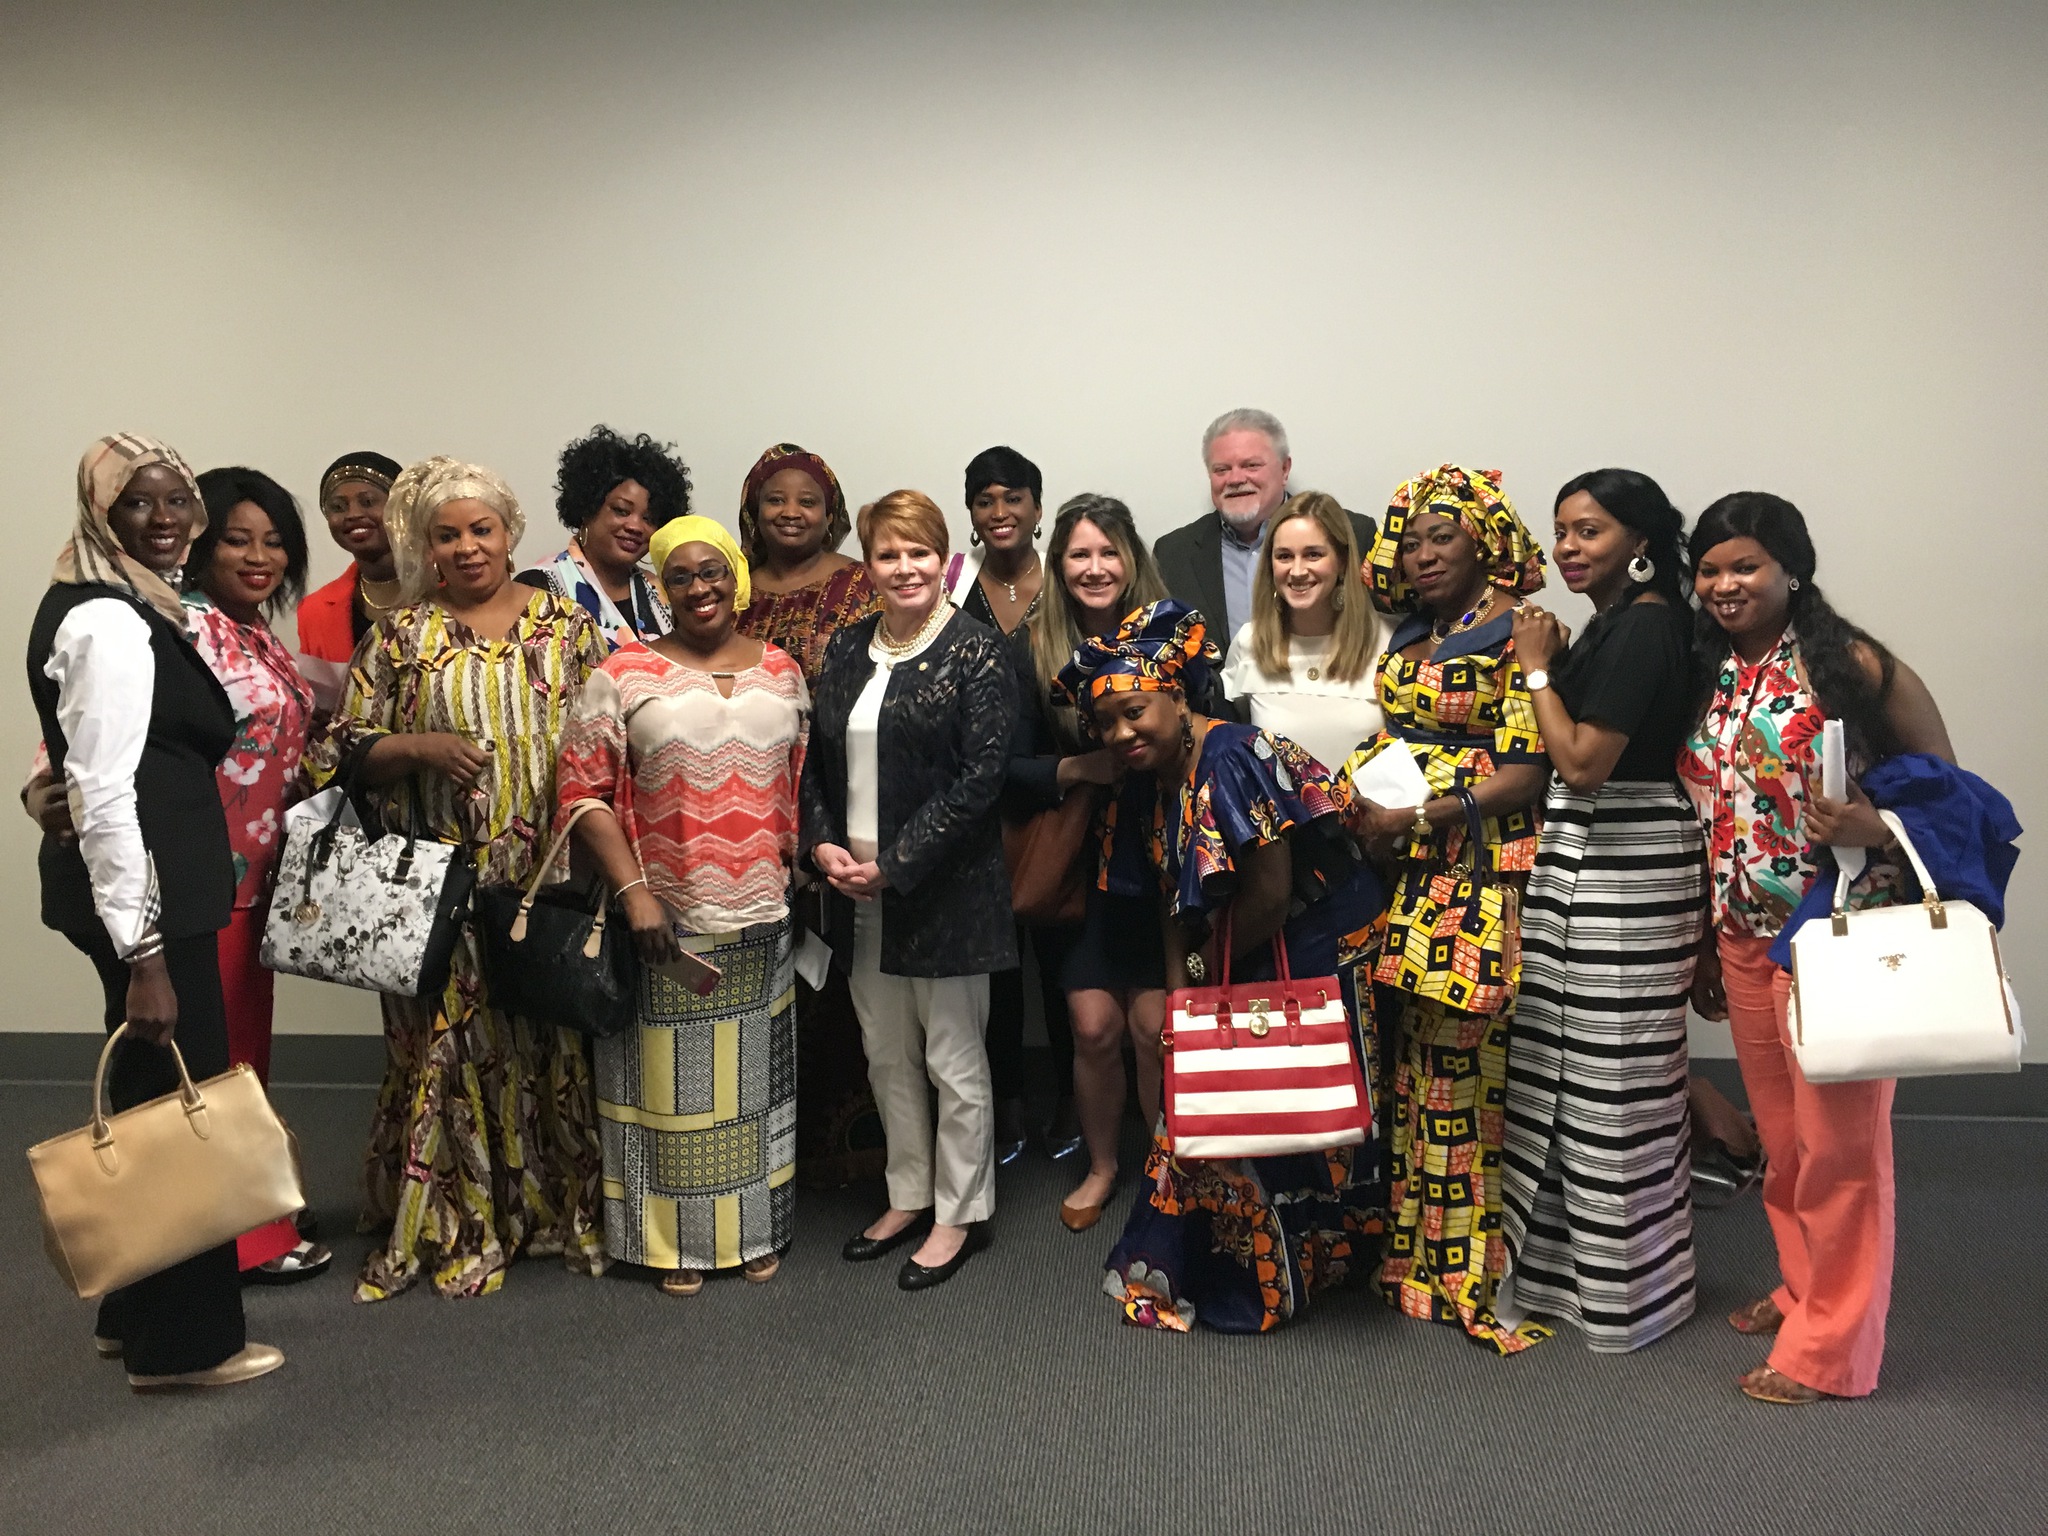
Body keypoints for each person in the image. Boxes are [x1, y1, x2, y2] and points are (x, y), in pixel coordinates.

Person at [308, 456, 609, 1301]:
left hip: (542, 883)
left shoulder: (566, 628)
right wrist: (415, 748)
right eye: (448, 534)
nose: (469, 547)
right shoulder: (404, 636)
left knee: (544, 1040)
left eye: (483, 529)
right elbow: (331, 753)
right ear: (424, 545)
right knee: (455, 1045)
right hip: (440, 890)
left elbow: (606, 744)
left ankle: (551, 1211)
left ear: (511, 533)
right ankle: (459, 1218)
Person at [1679, 491, 1953, 1405]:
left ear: (1791, 569)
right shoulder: (1713, 669)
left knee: (1843, 1152)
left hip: (1842, 936)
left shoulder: (1853, 666)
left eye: (1745, 566)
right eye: (1711, 569)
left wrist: (1878, 822)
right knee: (1789, 1147)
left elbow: (1953, 796)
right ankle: (1803, 1290)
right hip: (1747, 935)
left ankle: (1832, 1349)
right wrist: (1710, 946)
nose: (1725, 584)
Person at [27, 434, 281, 1388]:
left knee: (146, 1100)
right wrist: (145, 955)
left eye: (178, 501)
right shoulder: (109, 622)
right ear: (102, 514)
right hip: (149, 911)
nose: (165, 519)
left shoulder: (130, 600)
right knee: (183, 1112)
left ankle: (131, 1311)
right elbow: (101, 789)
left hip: (148, 899)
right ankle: (184, 1347)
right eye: (138, 504)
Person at [1058, 600, 1385, 1333]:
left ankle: (1313, 1260)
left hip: (1320, 935)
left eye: (1135, 711)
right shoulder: (1148, 777)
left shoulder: (1233, 756)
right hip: (1248, 937)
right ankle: (1221, 1258)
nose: (1121, 733)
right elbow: (1177, 900)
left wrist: (1205, 972)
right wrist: (1183, 1002)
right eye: (1105, 724)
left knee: (1301, 1097)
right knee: (1212, 1091)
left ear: (1178, 697)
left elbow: (1269, 894)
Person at [556, 514, 808, 1296]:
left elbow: (800, 784)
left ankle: (753, 1230)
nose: (699, 588)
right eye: (680, 576)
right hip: (664, 913)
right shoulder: (623, 674)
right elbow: (581, 792)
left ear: (736, 575)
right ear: (660, 588)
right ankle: (669, 1242)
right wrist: (634, 893)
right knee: (667, 1087)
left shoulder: (783, 671)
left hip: (762, 914)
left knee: (754, 1086)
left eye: (712, 572)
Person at [1343, 463, 1551, 1353]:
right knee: (1410, 1062)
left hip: (1472, 865)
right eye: (1414, 539)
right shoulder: (1415, 630)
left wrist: (1421, 813)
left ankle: (1468, 1265)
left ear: (1486, 540)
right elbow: (1399, 733)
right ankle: (1412, 1255)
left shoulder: (1521, 632)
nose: (1424, 555)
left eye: (1444, 538)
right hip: (1401, 863)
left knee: (1465, 1062)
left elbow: (1528, 768)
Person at [1497, 469, 1704, 1351]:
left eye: (1589, 531)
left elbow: (1582, 764)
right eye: (1561, 533)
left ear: (1642, 542)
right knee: (1565, 1076)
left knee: (1614, 1087)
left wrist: (1538, 666)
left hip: (1628, 860)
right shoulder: (1617, 623)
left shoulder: (1646, 630)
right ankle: (1572, 1283)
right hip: (1590, 856)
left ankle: (1632, 1299)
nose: (1569, 548)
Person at [800, 490, 1018, 1290]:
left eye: (918, 552)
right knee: (886, 1055)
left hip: (942, 894)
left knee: (953, 1062)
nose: (903, 568)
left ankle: (959, 1211)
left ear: (942, 558)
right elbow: (816, 763)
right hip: (856, 898)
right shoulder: (849, 647)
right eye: (887, 555)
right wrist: (822, 844)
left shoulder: (974, 651)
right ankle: (905, 1193)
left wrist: (895, 862)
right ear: (870, 564)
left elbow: (979, 781)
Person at [1008, 494, 1172, 1228]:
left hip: (1165, 856)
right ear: (1059, 565)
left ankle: (1174, 1165)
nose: (1096, 567)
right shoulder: (1030, 647)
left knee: (1151, 1028)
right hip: (1079, 862)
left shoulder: (1175, 634)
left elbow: (1214, 723)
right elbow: (1003, 767)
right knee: (1096, 1028)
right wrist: (1079, 771)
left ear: (1131, 559)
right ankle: (1104, 1166)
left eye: (1108, 552)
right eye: (1079, 554)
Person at [185, 466, 331, 1282]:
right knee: (213, 1066)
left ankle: (252, 1217)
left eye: (275, 541)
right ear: (202, 542)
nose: (259, 556)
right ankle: (237, 1242)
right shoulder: (180, 629)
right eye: (237, 538)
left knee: (241, 1058)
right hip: (203, 877)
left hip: (258, 881)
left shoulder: (256, 634)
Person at [731, 443, 885, 1187]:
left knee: (849, 980)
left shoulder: (862, 587)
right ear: (753, 512)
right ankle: (772, 1150)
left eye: (808, 501)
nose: (791, 512)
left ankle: (857, 1149)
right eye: (775, 500)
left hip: (845, 801)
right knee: (766, 978)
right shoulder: (725, 587)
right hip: (743, 807)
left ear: (831, 512)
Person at [946, 446, 1073, 1164]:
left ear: (1037, 506)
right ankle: (1008, 1110)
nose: (1000, 513)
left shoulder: (1065, 587)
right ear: (971, 512)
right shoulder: (951, 588)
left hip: (1056, 800)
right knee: (990, 975)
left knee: (1057, 968)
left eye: (1014, 498)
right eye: (986, 501)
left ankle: (1066, 1110)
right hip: (974, 812)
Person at [1152, 408, 1375, 662]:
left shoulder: (1354, 535)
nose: (1235, 479)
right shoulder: (1173, 554)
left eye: (1251, 465)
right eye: (1221, 470)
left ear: (1284, 469)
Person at [1220, 490, 1385, 772]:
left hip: (1375, 815)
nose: (1297, 571)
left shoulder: (1391, 641)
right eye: (1284, 556)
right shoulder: (1249, 643)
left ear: (1342, 561)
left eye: (1313, 554)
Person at [515, 425, 691, 648]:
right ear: (588, 507)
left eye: (649, 518)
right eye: (621, 511)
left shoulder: (662, 592)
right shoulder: (538, 586)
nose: (635, 526)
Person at [297, 450, 403, 712]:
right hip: (356, 750)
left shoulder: (450, 589)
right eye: (338, 507)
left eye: (368, 501)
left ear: (403, 509)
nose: (352, 514)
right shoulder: (315, 610)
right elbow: (322, 709)